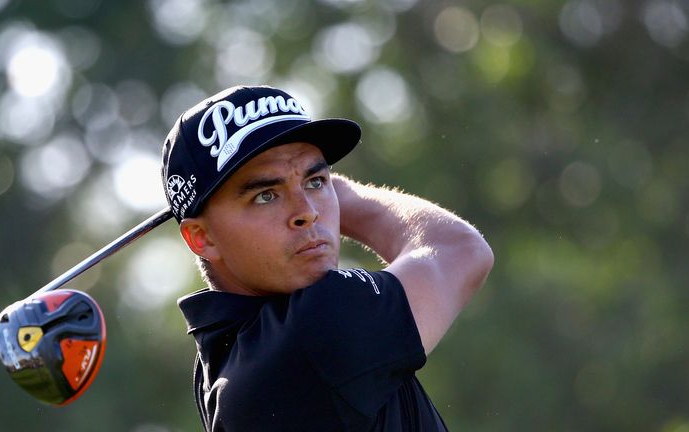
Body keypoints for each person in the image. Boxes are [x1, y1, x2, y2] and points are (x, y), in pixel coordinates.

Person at [160, 85, 493, 431]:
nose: (306, 212)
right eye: (266, 195)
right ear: (202, 237)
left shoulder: (214, 368)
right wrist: (345, 194)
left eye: (316, 181)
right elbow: (459, 248)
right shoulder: (318, 325)